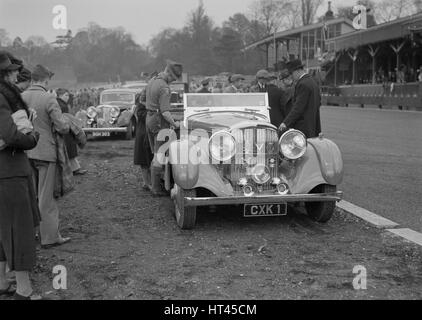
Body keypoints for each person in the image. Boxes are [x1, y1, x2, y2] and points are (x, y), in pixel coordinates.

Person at [0, 51, 43, 300]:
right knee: (19, 229)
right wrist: (32, 137)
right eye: (14, 70)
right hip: (10, 172)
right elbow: (11, 135)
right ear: (6, 73)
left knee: (3, 228)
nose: (18, 73)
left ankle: (3, 282)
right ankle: (24, 289)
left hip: (7, 171)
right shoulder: (3, 97)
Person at [22, 65, 71, 249]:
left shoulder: (22, 96)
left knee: (31, 195)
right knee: (46, 197)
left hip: (26, 151)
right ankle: (49, 237)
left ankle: (33, 232)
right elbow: (62, 127)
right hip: (45, 152)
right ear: (45, 80)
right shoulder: (49, 98)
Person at [145, 60, 181, 197]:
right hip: (159, 122)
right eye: (173, 78)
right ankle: (156, 189)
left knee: (155, 153)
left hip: (149, 119)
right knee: (159, 156)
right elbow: (165, 112)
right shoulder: (164, 88)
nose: (172, 81)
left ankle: (153, 183)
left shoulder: (152, 80)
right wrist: (175, 123)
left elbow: (144, 100)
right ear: (168, 72)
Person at [278, 59, 322, 138]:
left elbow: (298, 107)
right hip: (313, 124)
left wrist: (286, 123)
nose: (291, 76)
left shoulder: (302, 84)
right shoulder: (312, 81)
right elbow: (319, 102)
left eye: (291, 73)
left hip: (303, 126)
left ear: (297, 71)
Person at [56, 88, 87, 176]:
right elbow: (65, 118)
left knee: (69, 150)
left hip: (64, 129)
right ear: (60, 95)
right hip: (65, 129)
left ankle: (75, 168)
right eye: (66, 95)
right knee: (69, 149)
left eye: (68, 95)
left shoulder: (59, 103)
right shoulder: (62, 105)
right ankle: (73, 169)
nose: (68, 97)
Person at [134, 91, 153, 191]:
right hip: (143, 137)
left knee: (147, 162)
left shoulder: (141, 107)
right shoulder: (141, 108)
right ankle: (147, 183)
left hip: (144, 136)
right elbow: (145, 117)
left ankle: (148, 182)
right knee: (144, 163)